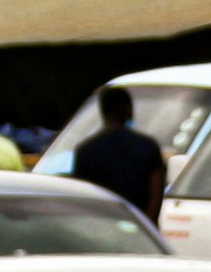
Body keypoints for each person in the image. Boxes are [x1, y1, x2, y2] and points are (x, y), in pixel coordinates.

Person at [69, 85, 167, 216]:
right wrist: (147, 223)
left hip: (104, 224)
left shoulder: (86, 150)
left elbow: (82, 197)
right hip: (139, 224)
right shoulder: (147, 146)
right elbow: (157, 192)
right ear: (125, 108)